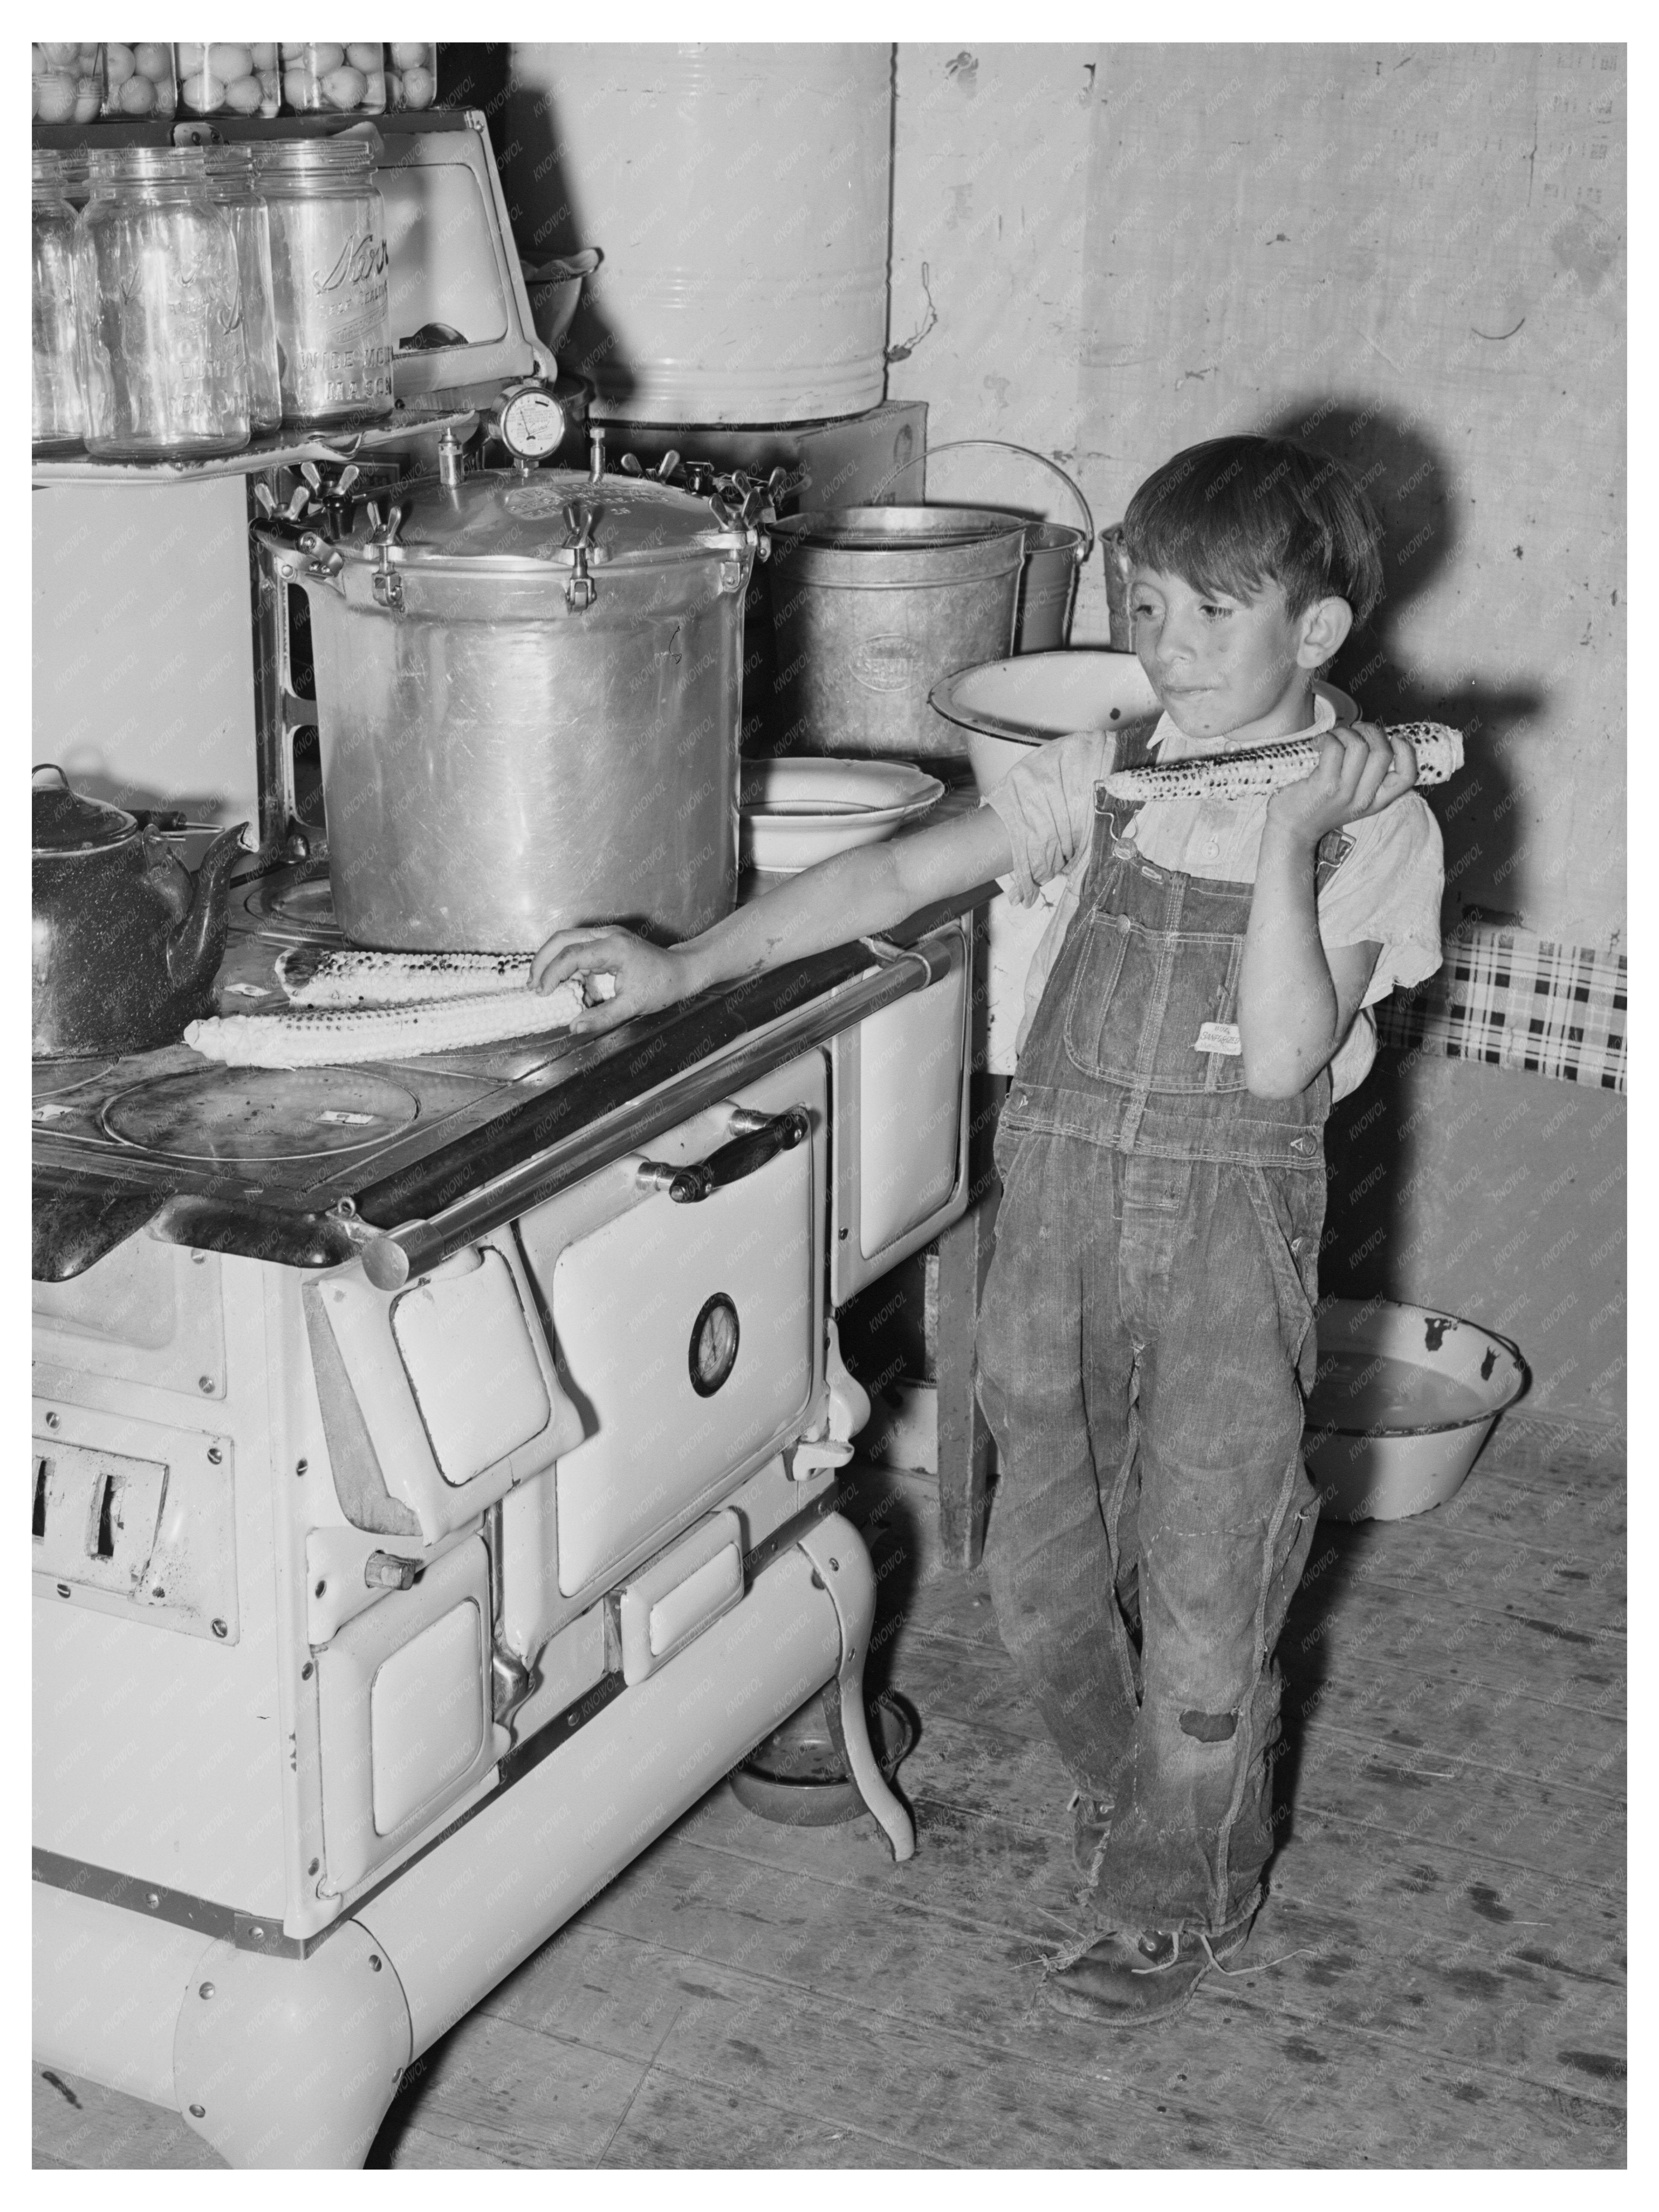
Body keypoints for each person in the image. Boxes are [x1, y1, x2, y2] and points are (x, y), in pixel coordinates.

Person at [531, 435, 1446, 2028]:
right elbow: (895, 868)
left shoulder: (1381, 825)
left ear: (1315, 635)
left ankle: (1186, 1880)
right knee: (1036, 1567)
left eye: (1208, 617)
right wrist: (684, 968)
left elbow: (1291, 1054)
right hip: (1064, 1205)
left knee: (1214, 1570)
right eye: (1145, 604)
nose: (1162, 647)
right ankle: (1152, 1789)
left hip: (1231, 1220)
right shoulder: (1110, 770)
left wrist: (1296, 840)